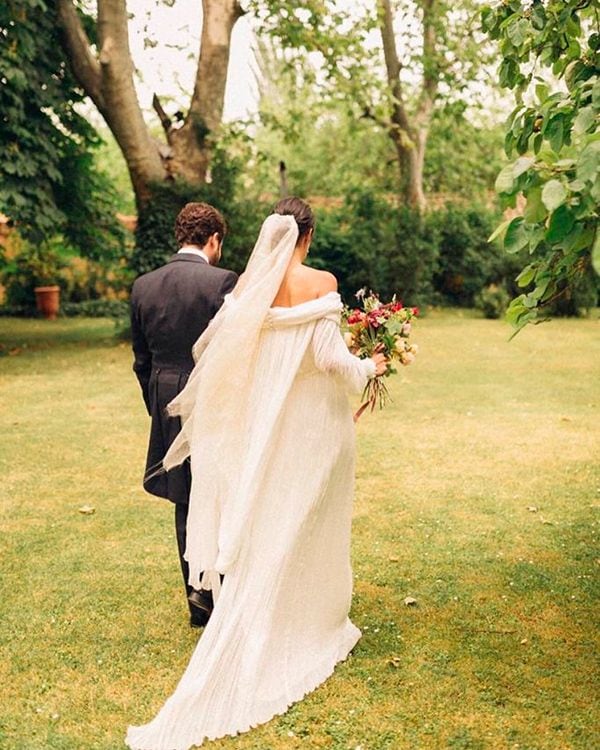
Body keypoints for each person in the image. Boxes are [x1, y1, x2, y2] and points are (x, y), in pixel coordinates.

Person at [126, 197, 387, 750]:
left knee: (274, 513)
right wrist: (373, 366)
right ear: (307, 235)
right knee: (313, 516)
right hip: (315, 422)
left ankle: (252, 601)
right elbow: (332, 360)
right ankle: (305, 619)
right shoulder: (321, 281)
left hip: (269, 422)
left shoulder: (248, 287)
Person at [130, 201, 238, 628]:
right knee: (221, 494)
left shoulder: (144, 285)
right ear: (214, 240)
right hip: (211, 396)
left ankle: (198, 601)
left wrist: (158, 404)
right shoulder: (223, 282)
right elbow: (232, 352)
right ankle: (222, 594)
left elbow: (141, 360)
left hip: (163, 395)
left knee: (184, 497)